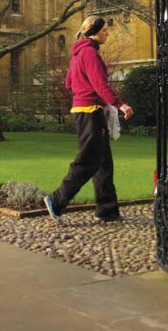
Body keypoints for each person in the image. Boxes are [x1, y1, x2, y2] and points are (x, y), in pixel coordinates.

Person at [44, 16, 133, 223]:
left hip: (85, 110)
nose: (107, 33)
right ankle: (56, 200)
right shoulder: (90, 53)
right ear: (94, 32)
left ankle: (107, 210)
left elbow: (68, 83)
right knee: (89, 160)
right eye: (104, 31)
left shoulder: (78, 54)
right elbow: (100, 84)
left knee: (103, 163)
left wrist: (82, 89)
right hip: (89, 111)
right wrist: (121, 104)